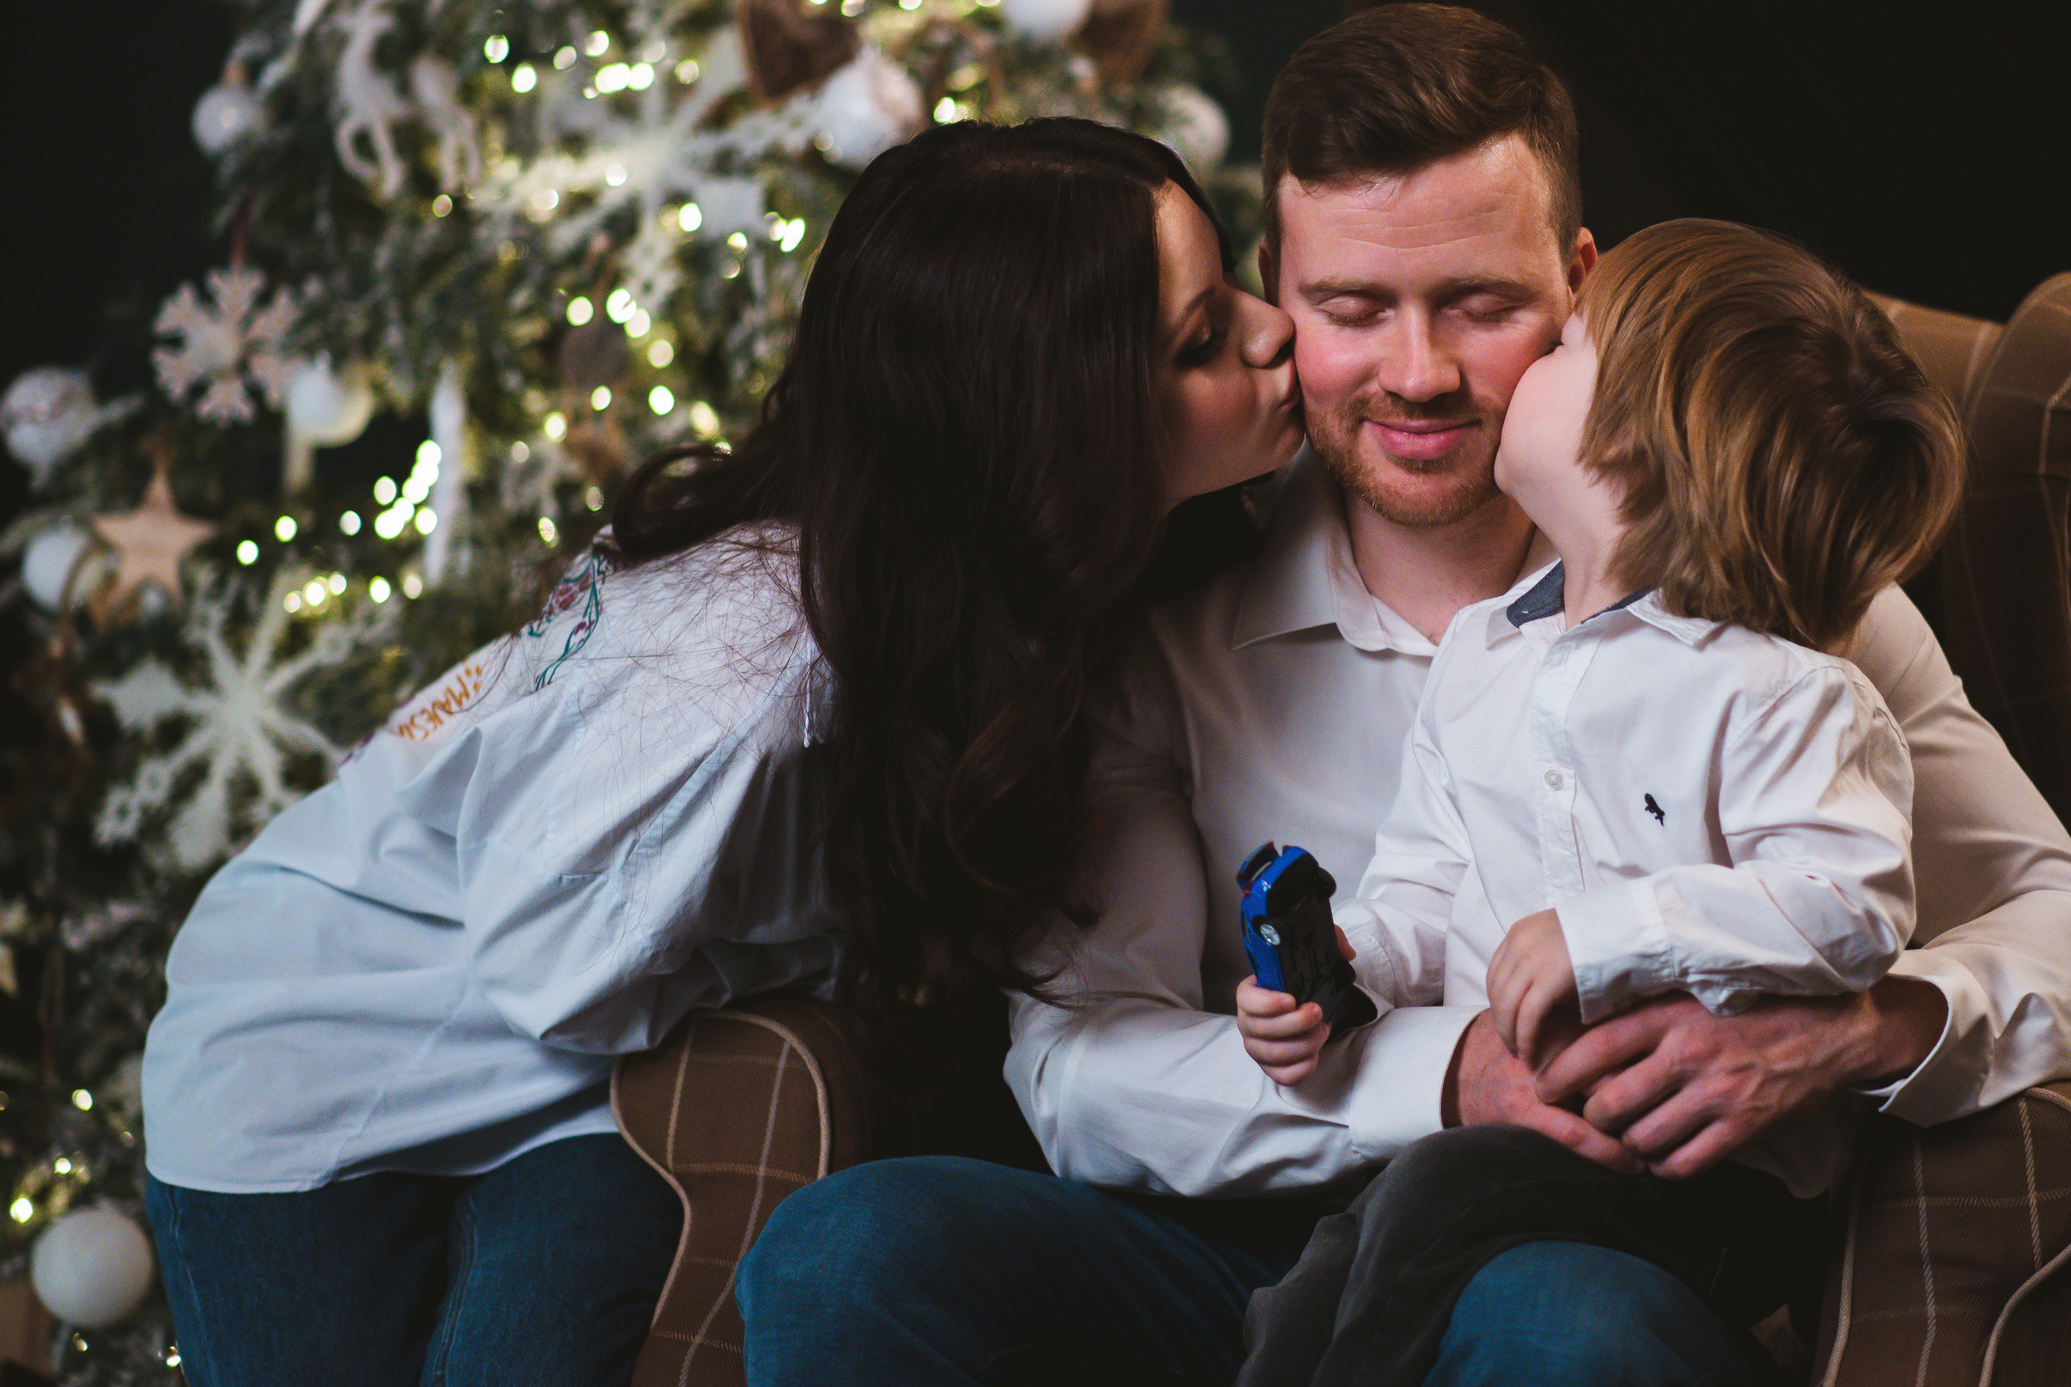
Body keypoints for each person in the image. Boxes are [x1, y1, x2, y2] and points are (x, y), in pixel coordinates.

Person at [736, 6, 2071, 1386]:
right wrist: (1442, 1072)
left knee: (1556, 1322)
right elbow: (1080, 1076)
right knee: (847, 1252)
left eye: (1480, 307)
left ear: (1580, 287)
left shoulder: (1772, 587)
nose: (1419, 376)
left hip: (1594, 1258)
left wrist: (1863, 1030)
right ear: (1280, 296)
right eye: (1352, 310)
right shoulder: (1168, 606)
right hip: (1260, 1261)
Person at [136, 117, 1303, 1387]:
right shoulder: (753, 671)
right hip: (308, 1055)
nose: (1274, 328)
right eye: (1201, 339)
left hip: (555, 1081)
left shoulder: (999, 594)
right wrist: (808, 951)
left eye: (1235, 280)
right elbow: (547, 967)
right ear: (1044, 425)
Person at [1230, 219, 1964, 1386]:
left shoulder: (1780, 687)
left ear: (1644, 443)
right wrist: (1341, 961)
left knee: (1430, 1196)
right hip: (1517, 1156)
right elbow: (1427, 883)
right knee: (1316, 1277)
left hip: (1712, 1179)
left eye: (1565, 342)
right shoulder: (1482, 654)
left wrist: (1605, 932)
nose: (1522, 366)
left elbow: (1852, 903)